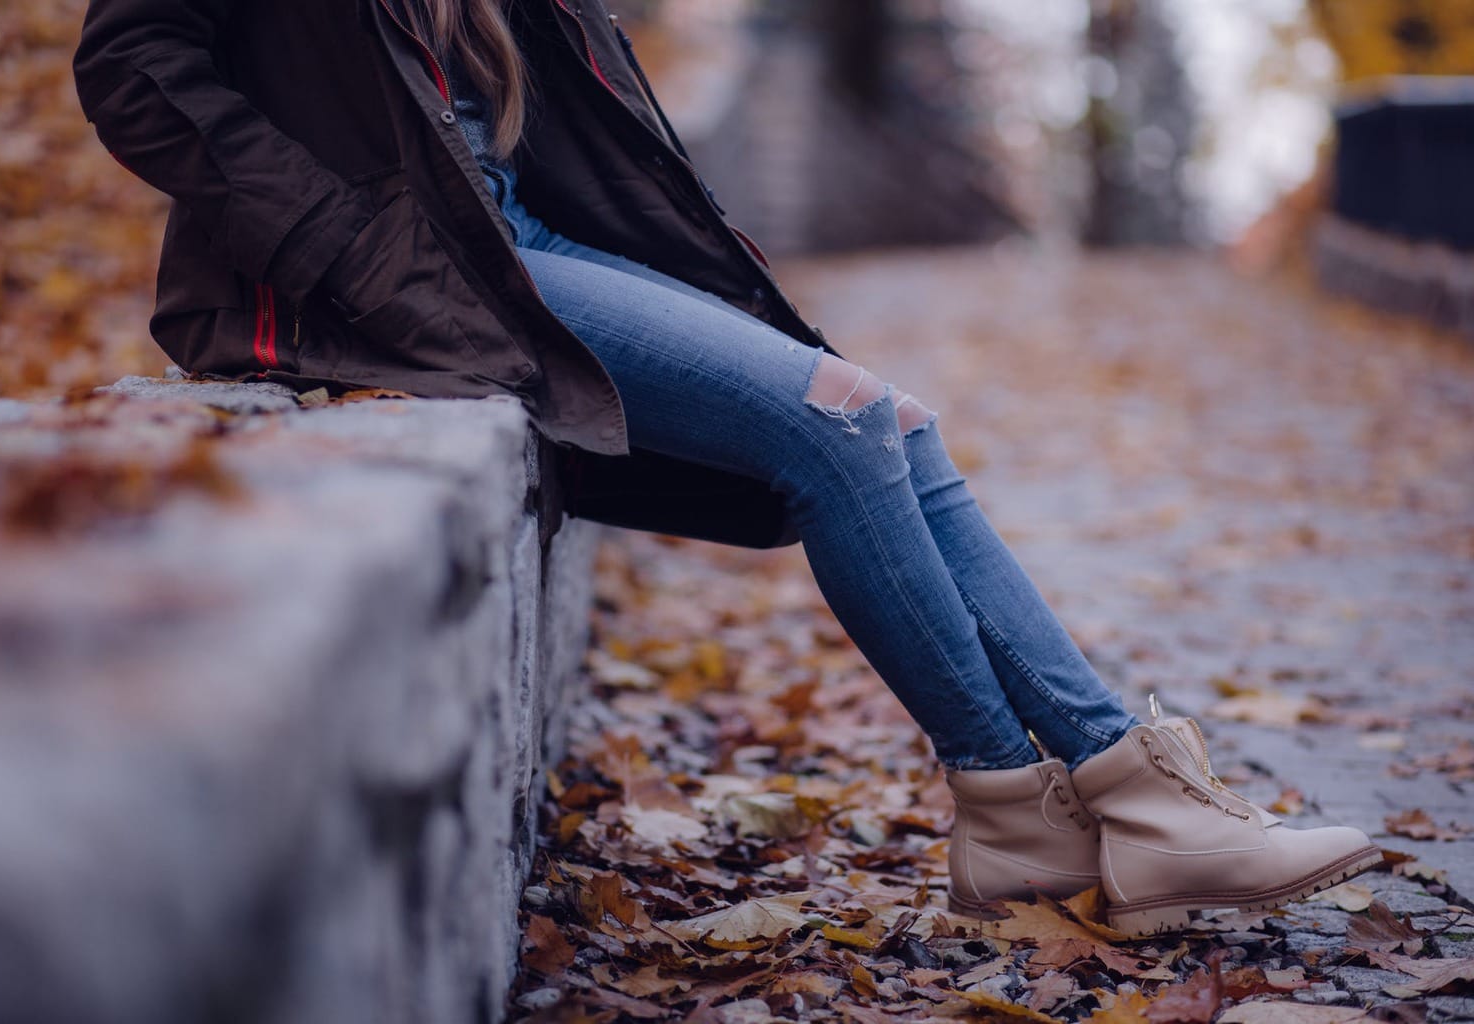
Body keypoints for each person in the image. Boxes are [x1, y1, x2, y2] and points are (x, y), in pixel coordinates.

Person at [73, 0, 1381, 938]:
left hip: (511, 231)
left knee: (891, 419)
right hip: (382, 274)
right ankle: (1049, 810)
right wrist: (338, 245)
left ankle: (1090, 810)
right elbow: (132, 62)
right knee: (844, 427)